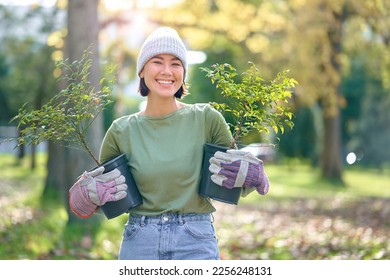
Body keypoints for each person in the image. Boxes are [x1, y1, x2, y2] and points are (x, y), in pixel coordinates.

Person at [68, 26, 270, 260]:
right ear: (142, 70)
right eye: (157, 61)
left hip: (195, 240)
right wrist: (85, 196)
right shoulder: (121, 131)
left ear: (183, 72)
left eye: (175, 63)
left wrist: (254, 175)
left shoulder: (206, 118)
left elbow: (232, 178)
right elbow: (105, 199)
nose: (167, 71)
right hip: (140, 241)